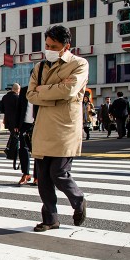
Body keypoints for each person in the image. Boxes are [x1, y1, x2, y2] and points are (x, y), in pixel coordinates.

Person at [26, 25, 88, 232]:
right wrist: (55, 92)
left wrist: (44, 92)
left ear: (66, 47)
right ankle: (50, 219)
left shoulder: (79, 64)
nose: (49, 49)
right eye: (47, 45)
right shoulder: (40, 67)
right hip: (43, 126)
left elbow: (70, 90)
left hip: (65, 127)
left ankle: (78, 200)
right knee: (43, 178)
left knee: (59, 173)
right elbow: (30, 95)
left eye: (54, 46)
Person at [16, 84, 36, 185]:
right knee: (23, 149)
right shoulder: (24, 90)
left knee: (38, 151)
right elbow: (19, 108)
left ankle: (37, 176)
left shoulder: (45, 88)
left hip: (38, 124)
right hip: (24, 124)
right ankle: (26, 173)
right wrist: (16, 124)